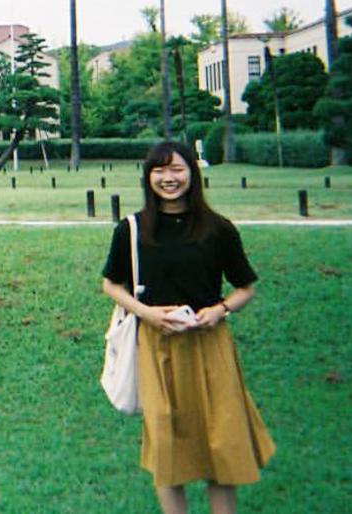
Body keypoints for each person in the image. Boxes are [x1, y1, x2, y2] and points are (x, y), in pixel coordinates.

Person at [101, 141, 275, 514]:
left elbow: (245, 287)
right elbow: (112, 284)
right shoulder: (132, 229)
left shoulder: (218, 229)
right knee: (167, 446)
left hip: (210, 344)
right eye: (160, 170)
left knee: (223, 441)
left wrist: (220, 310)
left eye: (177, 169)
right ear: (148, 177)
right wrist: (146, 313)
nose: (169, 178)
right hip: (157, 346)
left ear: (192, 174)